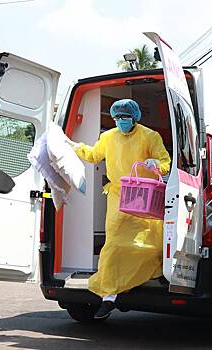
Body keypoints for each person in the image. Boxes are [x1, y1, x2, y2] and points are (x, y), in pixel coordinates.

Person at [66, 98, 171, 319]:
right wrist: (74, 147)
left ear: (134, 117)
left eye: (125, 118)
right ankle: (109, 296)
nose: (121, 121)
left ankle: (150, 275)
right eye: (117, 118)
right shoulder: (108, 137)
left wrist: (156, 164)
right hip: (118, 194)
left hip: (144, 194)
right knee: (113, 243)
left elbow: (165, 162)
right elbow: (93, 155)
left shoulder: (149, 136)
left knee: (150, 243)